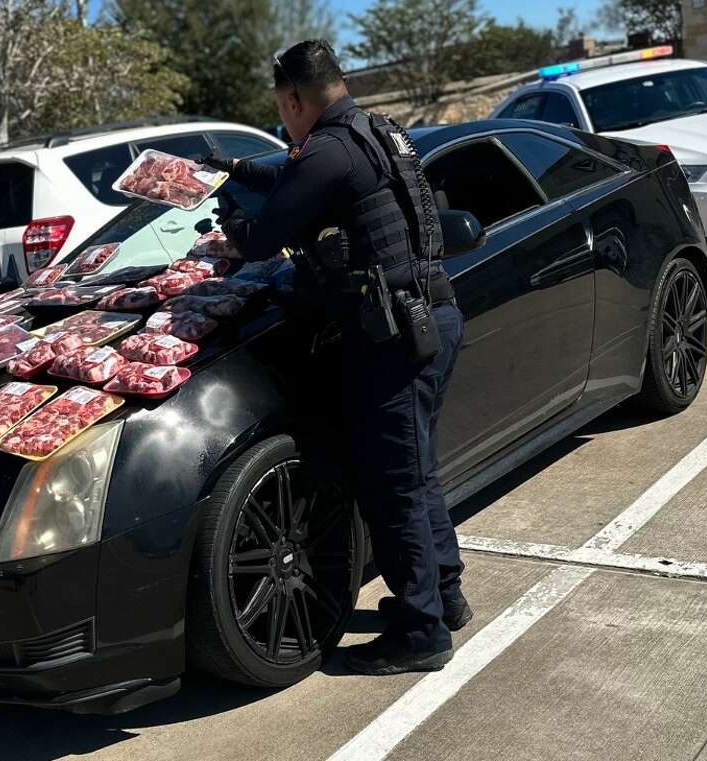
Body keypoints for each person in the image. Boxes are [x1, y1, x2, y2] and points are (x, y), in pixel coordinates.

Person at [202, 39, 471, 675]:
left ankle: (421, 633)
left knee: (392, 483)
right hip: (432, 315)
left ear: (294, 98)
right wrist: (236, 168)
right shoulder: (375, 129)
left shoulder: (327, 148)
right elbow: (297, 175)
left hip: (396, 334)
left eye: (283, 111)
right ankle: (446, 597)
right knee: (416, 468)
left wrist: (227, 225)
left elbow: (264, 237)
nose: (286, 123)